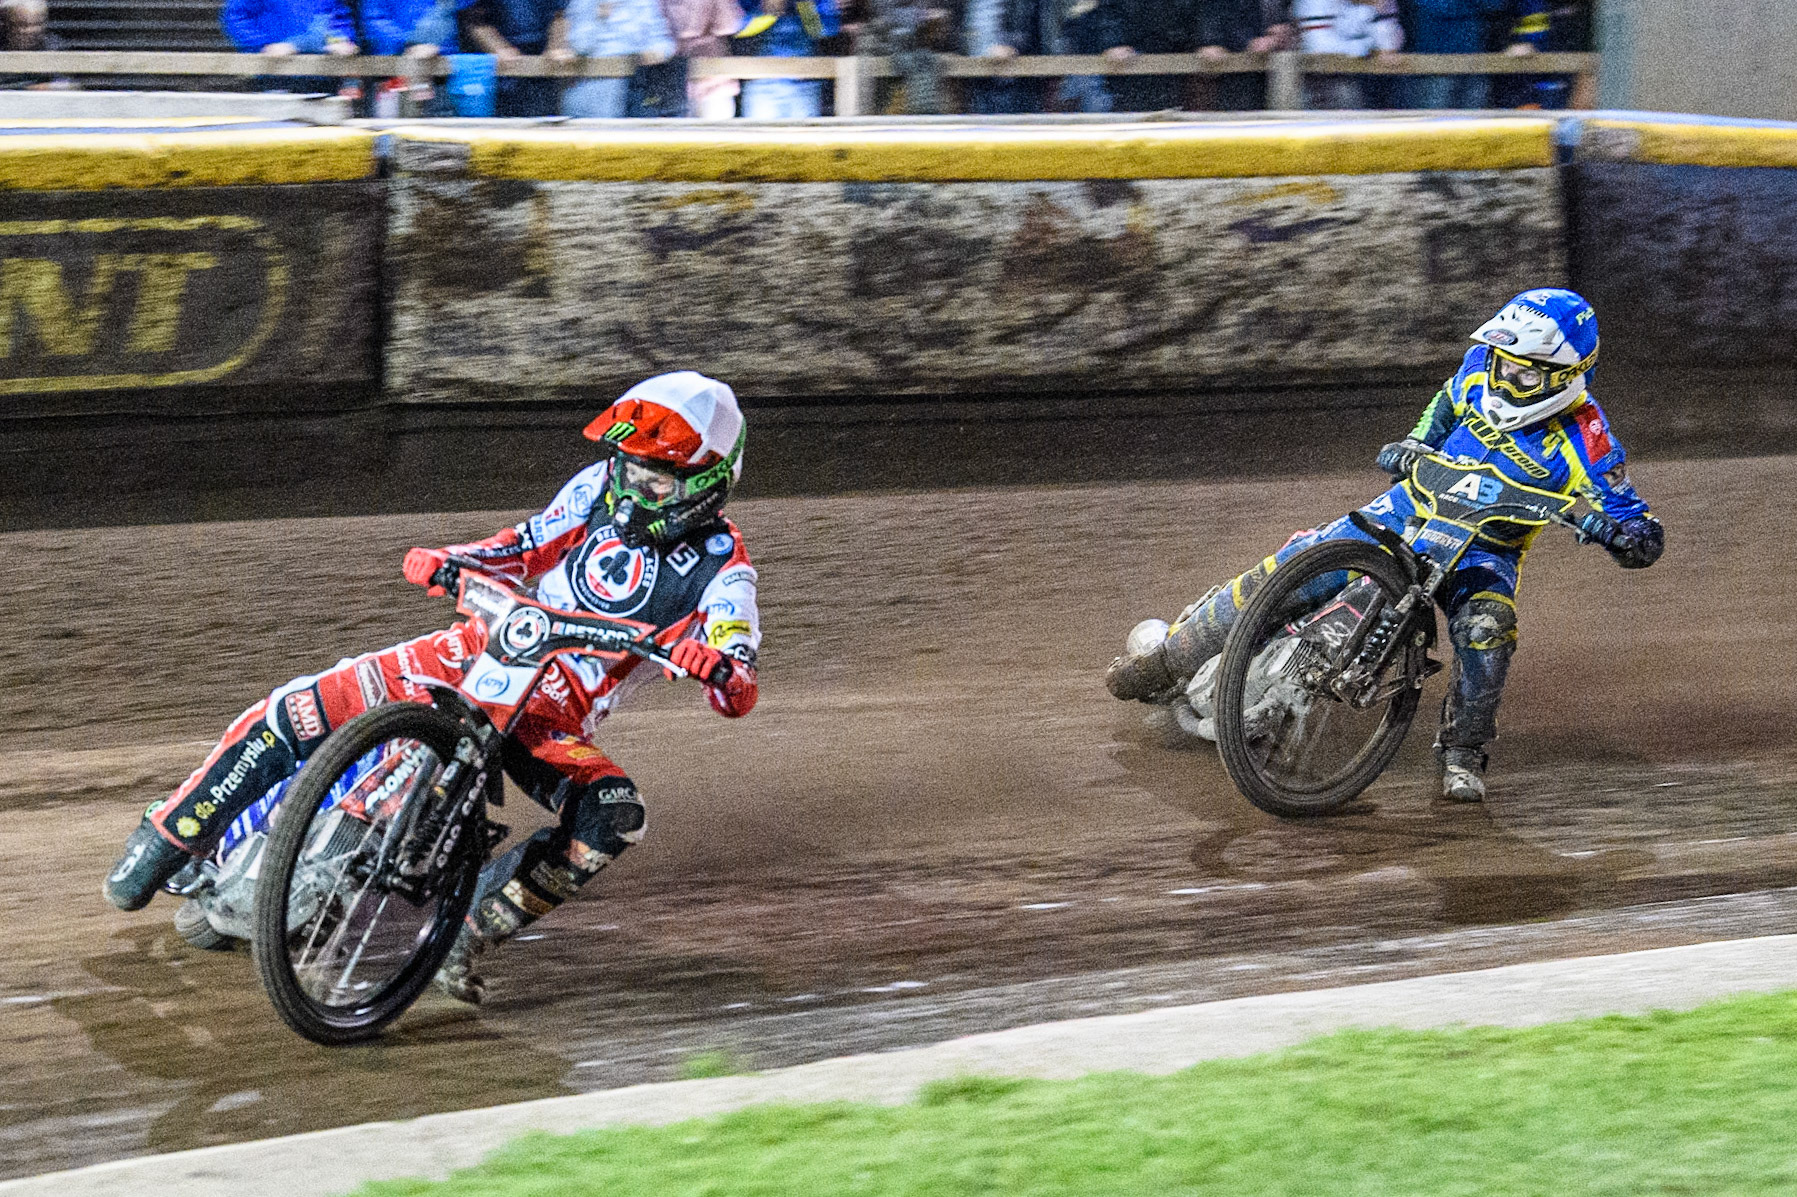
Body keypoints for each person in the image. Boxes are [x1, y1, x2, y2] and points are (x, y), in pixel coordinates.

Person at [104, 372, 763, 1005]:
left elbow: (738, 678)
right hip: (491, 642)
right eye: (626, 465)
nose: (631, 486)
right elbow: (524, 546)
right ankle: (172, 831)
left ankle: (470, 930)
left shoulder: (726, 573)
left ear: (704, 486)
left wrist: (716, 666)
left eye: (652, 475)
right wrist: (454, 558)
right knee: (311, 700)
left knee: (615, 813)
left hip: (553, 716)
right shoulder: (597, 487)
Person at [1105, 290, 1665, 803]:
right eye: (1501, 359)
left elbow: (1637, 526)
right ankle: (1165, 661)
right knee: (1290, 568)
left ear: (1562, 377)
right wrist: (1416, 442)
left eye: (1521, 370)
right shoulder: (1478, 371)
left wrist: (1624, 535)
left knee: (1488, 635)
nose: (1502, 374)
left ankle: (1464, 751)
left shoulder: (1590, 439)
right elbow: (1444, 405)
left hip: (1484, 552)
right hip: (1404, 511)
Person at [1399, 0, 1540, 109]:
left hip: (1476, 61)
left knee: (1474, 122)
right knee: (1433, 123)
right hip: (1435, 63)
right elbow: (1437, 5)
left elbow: (1495, 4)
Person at [459, 0, 575, 116]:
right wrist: (498, 48)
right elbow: (475, 20)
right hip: (503, 71)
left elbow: (559, 15)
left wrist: (556, 46)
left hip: (544, 66)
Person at [562, 0, 677, 116]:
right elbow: (579, 46)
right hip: (593, 87)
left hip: (636, 85)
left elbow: (664, 43)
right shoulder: (583, 3)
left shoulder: (644, 3)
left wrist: (656, 51)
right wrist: (600, 17)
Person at [734, 0, 840, 118]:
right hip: (760, 81)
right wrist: (764, 10)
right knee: (759, 135)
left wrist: (804, 6)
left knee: (804, 135)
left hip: (803, 82)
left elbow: (828, 28)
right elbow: (734, 26)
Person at [1293, 0, 1401, 109]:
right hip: (1314, 80)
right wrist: (1369, 46)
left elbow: (1389, 32)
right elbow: (1318, 45)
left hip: (1354, 78)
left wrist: (1385, 46)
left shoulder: (1355, 7)